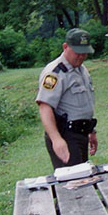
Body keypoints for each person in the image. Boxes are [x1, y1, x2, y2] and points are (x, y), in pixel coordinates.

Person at [36, 28, 98, 169]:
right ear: (65, 47)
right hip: (66, 136)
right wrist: (56, 139)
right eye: (77, 52)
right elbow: (45, 107)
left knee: (84, 180)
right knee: (73, 185)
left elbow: (82, 105)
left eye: (85, 53)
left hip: (81, 135)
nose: (81, 56)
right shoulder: (54, 73)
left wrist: (91, 131)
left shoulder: (82, 70)